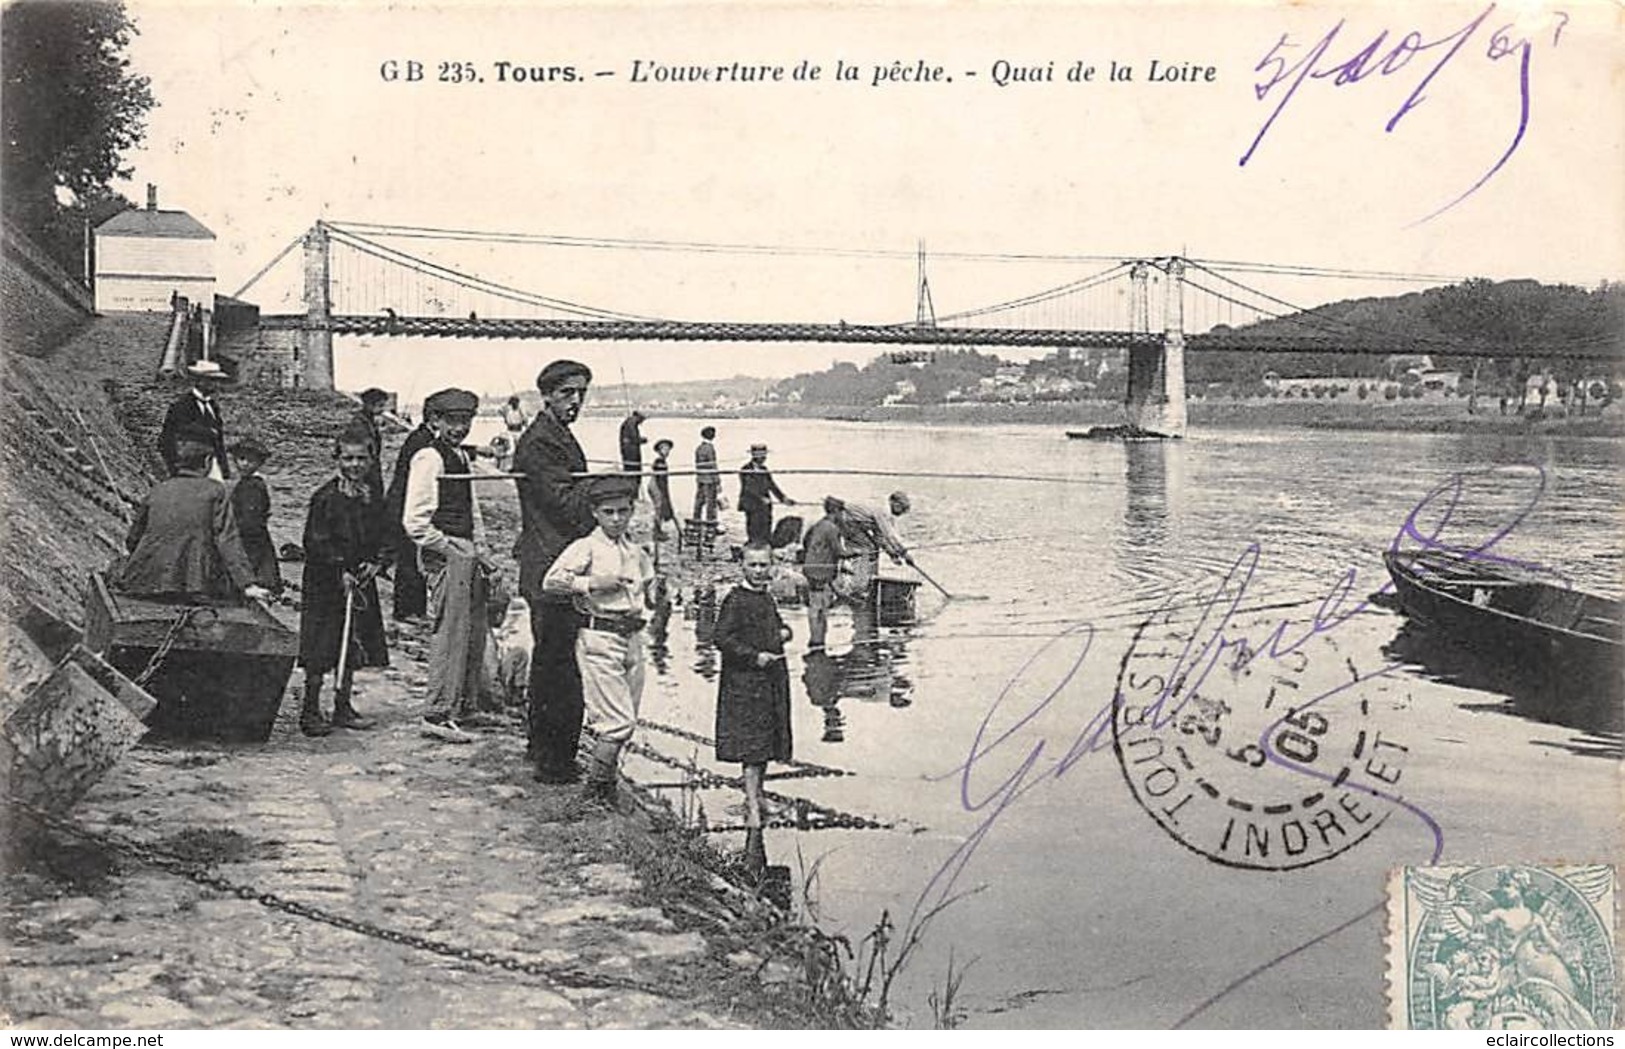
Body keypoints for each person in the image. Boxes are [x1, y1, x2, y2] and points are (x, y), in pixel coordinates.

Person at [542, 473, 655, 806]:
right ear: (595, 513)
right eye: (609, 512)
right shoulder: (586, 547)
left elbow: (648, 590)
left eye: (623, 511)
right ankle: (595, 791)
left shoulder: (634, 550)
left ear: (632, 510)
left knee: (627, 720)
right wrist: (591, 583)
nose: (617, 519)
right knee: (617, 722)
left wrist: (658, 592)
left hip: (633, 637)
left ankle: (607, 787)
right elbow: (552, 581)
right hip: (600, 636)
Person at [513, 359, 597, 782]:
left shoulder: (555, 435)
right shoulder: (541, 442)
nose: (576, 400)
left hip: (552, 565)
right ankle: (555, 763)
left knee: (551, 660)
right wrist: (604, 493)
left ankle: (543, 748)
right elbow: (564, 506)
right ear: (546, 395)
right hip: (551, 569)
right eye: (567, 393)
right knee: (558, 665)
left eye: (581, 392)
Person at [403, 388, 496, 741]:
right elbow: (414, 521)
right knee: (450, 632)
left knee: (474, 632)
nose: (460, 428)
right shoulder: (429, 457)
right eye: (452, 421)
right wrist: (449, 549)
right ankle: (437, 714)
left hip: (468, 550)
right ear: (434, 421)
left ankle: (466, 706)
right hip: (446, 554)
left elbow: (472, 510)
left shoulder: (461, 457)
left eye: (466, 421)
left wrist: (482, 551)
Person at [297, 424, 389, 737]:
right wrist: (340, 569)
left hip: (360, 581)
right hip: (326, 583)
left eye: (361, 459)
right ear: (337, 459)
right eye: (348, 459)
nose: (355, 465)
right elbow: (315, 541)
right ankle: (310, 711)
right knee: (320, 645)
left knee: (351, 643)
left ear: (371, 461)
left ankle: (343, 706)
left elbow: (383, 535)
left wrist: (376, 563)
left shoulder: (371, 496)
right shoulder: (324, 497)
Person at [119, 427, 268, 603]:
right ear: (206, 462)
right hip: (194, 584)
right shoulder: (216, 491)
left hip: (143, 580)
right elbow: (227, 539)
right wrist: (247, 584)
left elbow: (133, 539)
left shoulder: (158, 489)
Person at [714, 543, 793, 838]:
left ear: (771, 566)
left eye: (764, 565)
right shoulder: (735, 599)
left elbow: (777, 627)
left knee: (766, 742)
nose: (759, 571)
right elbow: (721, 637)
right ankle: (751, 805)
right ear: (743, 567)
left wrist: (785, 632)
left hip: (771, 681)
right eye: (754, 565)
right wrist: (753, 656)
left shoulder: (767, 598)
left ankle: (759, 795)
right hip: (744, 684)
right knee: (750, 746)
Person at [829, 492, 913, 641]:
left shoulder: (884, 514)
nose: (901, 514)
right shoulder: (883, 511)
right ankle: (859, 586)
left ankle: (868, 581)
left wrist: (893, 554)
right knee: (864, 550)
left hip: (853, 521)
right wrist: (905, 553)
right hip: (847, 519)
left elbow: (880, 537)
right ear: (895, 504)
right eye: (902, 509)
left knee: (872, 548)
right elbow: (890, 535)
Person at [383, 414, 436, 621]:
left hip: (405, 502)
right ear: (433, 418)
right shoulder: (422, 441)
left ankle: (416, 609)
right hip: (405, 504)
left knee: (413, 558)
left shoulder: (420, 437)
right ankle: (406, 610)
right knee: (409, 559)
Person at [159, 360, 232, 481]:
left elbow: (218, 441)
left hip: (212, 468)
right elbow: (166, 440)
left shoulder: (213, 407)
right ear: (199, 380)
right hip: (190, 470)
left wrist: (224, 470)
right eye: (211, 380)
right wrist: (174, 468)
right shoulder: (181, 406)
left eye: (217, 381)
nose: (216, 384)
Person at [228, 438, 281, 594]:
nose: (244, 464)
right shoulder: (247, 483)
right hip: (252, 534)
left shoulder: (254, 486)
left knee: (256, 566)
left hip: (251, 536)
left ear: (259, 463)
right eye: (241, 459)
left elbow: (251, 518)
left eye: (250, 460)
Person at [801, 497, 844, 651]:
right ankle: (818, 641)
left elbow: (805, 542)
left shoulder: (817, 525)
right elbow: (839, 551)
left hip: (810, 569)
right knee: (820, 606)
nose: (842, 516)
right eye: (841, 512)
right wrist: (858, 552)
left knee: (814, 604)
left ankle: (815, 638)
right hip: (820, 572)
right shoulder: (832, 528)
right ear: (836, 511)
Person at [737, 442, 793, 545]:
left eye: (764, 455)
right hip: (752, 506)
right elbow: (749, 488)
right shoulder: (745, 470)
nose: (764, 458)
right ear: (754, 456)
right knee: (754, 530)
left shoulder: (764, 469)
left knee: (766, 530)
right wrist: (761, 498)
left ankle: (765, 548)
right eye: (761, 456)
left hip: (765, 507)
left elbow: (772, 486)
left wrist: (784, 498)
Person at [353, 387, 391, 501]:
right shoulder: (359, 424)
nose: (382, 409)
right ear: (369, 404)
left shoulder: (368, 421)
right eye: (380, 405)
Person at [648, 438, 676, 540]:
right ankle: (656, 532)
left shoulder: (662, 461)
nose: (667, 451)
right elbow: (660, 478)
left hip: (658, 484)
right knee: (658, 508)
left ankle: (658, 530)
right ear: (659, 450)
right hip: (656, 485)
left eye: (668, 449)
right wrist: (663, 493)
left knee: (660, 508)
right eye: (664, 449)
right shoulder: (659, 461)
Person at [693, 425, 721, 523]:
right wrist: (718, 481)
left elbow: (698, 465)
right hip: (710, 480)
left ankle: (696, 520)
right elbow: (713, 465)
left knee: (699, 501)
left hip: (700, 478)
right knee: (711, 502)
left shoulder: (699, 448)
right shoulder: (710, 448)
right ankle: (711, 522)